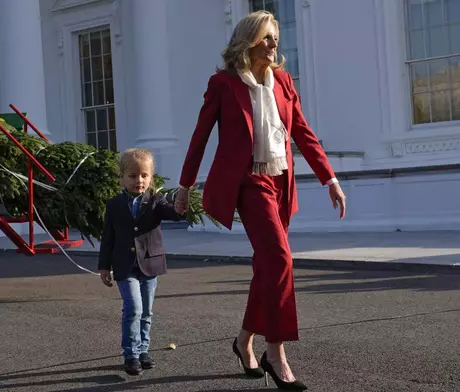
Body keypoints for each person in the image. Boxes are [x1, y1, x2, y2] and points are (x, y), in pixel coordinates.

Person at [175, 10, 346, 391]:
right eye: (267, 38)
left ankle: (242, 340)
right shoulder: (222, 84)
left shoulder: (283, 81)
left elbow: (302, 131)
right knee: (280, 259)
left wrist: (329, 179)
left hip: (281, 181)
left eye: (275, 39)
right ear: (248, 40)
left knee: (267, 266)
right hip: (249, 183)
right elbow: (200, 137)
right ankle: (276, 352)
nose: (274, 45)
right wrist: (185, 186)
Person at [98, 148, 185, 376]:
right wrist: (104, 266)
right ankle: (131, 354)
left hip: (150, 264)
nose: (139, 180)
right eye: (133, 176)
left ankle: (144, 350)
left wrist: (180, 204)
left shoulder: (157, 201)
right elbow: (108, 237)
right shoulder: (114, 204)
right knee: (133, 308)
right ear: (122, 178)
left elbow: (174, 214)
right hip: (125, 265)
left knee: (146, 311)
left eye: (144, 176)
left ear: (151, 178)